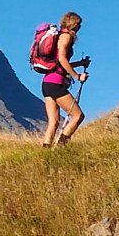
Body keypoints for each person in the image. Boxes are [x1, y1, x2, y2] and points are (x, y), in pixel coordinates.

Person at [40, 11, 87, 147]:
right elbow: (62, 59)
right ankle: (61, 146)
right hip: (56, 83)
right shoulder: (66, 36)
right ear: (73, 23)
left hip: (47, 82)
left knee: (53, 122)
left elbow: (60, 64)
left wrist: (80, 63)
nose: (80, 27)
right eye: (78, 24)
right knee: (78, 116)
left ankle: (46, 151)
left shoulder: (59, 36)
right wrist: (77, 76)